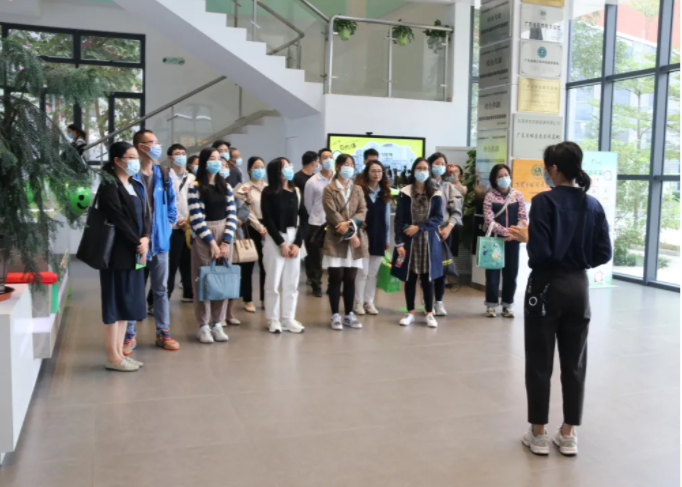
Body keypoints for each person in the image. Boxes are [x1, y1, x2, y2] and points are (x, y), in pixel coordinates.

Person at [508, 142, 612, 457]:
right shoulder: (593, 204)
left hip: (546, 287)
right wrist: (578, 259)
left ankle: (538, 432)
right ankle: (568, 433)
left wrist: (528, 238)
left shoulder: (544, 201)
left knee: (539, 360)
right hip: (579, 288)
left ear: (553, 169)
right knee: (575, 361)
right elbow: (603, 252)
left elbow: (541, 253)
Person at [123, 130, 179, 355]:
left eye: (157, 141)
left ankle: (163, 332)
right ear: (141, 147)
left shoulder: (163, 173)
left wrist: (168, 225)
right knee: (135, 289)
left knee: (161, 289)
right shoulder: (130, 175)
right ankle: (129, 334)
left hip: (160, 244)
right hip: (138, 245)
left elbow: (172, 204)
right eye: (151, 142)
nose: (156, 146)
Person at [97, 142, 149, 371]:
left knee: (126, 304)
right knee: (114, 305)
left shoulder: (135, 184)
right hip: (116, 254)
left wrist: (146, 238)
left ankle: (120, 354)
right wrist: (138, 242)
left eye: (136, 157)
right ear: (117, 161)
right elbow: (118, 219)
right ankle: (113, 357)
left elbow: (145, 215)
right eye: (131, 157)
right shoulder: (109, 186)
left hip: (135, 253)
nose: (135, 161)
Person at [187, 148, 236, 344]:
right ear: (204, 162)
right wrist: (211, 243)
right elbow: (196, 217)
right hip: (204, 236)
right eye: (212, 158)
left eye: (218, 158)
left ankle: (217, 322)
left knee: (222, 280)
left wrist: (226, 241)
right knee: (203, 280)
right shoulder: (195, 186)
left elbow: (232, 214)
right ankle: (203, 325)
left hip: (224, 234)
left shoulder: (226, 186)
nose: (216, 162)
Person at [392, 158, 444, 328]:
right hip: (409, 241)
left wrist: (420, 228)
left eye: (425, 168)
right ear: (414, 170)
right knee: (410, 277)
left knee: (427, 278)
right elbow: (399, 219)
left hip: (428, 241)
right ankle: (410, 312)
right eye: (419, 168)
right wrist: (399, 243)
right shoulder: (405, 192)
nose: (422, 171)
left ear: (429, 171)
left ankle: (429, 313)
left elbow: (438, 218)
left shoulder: (436, 193)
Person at [322, 154, 368, 330]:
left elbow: (362, 211)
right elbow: (332, 213)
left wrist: (350, 225)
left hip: (354, 239)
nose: (349, 167)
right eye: (346, 164)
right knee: (336, 277)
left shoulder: (357, 189)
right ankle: (335, 315)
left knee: (350, 277)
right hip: (336, 239)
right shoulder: (329, 189)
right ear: (338, 166)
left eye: (351, 164)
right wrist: (351, 232)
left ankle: (349, 314)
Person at [261, 157, 307, 334]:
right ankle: (273, 319)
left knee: (292, 281)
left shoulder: (296, 191)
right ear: (276, 171)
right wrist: (281, 243)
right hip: (275, 238)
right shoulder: (268, 192)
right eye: (284, 166)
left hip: (293, 236)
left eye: (289, 165)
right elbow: (268, 220)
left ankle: (288, 318)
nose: (288, 168)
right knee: (273, 281)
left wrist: (297, 243)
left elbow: (304, 218)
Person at [145, 144, 194, 306]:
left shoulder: (191, 177)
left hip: (188, 228)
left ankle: (189, 293)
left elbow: (194, 201)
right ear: (170, 158)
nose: (181, 156)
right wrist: (176, 219)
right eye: (177, 154)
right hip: (172, 228)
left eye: (183, 153)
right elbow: (165, 202)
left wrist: (188, 219)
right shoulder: (165, 176)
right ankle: (155, 302)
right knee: (170, 267)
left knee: (188, 265)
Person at [482, 164, 527, 318]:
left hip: (513, 241)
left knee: (511, 274)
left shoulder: (517, 195)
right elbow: (489, 220)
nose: (504, 178)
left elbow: (523, 217)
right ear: (495, 179)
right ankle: (491, 306)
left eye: (506, 175)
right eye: (500, 176)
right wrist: (506, 232)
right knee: (492, 274)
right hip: (495, 241)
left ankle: (507, 306)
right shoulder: (489, 196)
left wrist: (513, 234)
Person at [353, 160, 391, 316]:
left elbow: (387, 219)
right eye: (373, 171)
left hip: (379, 235)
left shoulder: (385, 192)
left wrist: (387, 239)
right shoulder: (360, 191)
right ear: (367, 173)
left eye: (379, 171)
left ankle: (369, 302)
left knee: (373, 272)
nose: (377, 174)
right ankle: (358, 302)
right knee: (362, 272)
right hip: (363, 234)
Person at [428, 152, 463, 316]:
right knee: (427, 269)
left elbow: (456, 210)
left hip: (444, 233)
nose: (440, 166)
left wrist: (449, 227)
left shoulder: (448, 187)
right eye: (437, 163)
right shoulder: (423, 185)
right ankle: (428, 301)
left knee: (442, 269)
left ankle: (439, 302)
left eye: (443, 164)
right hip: (427, 232)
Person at [220, 154, 250, 325]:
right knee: (216, 275)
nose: (223, 168)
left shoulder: (235, 188)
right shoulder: (206, 188)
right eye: (220, 165)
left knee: (232, 275)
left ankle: (229, 313)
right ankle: (217, 315)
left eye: (226, 166)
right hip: (214, 237)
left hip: (233, 236)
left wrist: (247, 203)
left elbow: (242, 214)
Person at [235, 156, 268, 313]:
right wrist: (259, 227)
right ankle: (247, 299)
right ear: (249, 170)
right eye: (256, 167)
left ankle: (265, 297)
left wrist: (267, 227)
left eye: (262, 166)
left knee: (266, 265)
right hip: (251, 227)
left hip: (268, 227)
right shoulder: (243, 188)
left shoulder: (268, 188)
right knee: (248, 264)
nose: (259, 169)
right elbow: (246, 211)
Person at [303, 148, 334, 297]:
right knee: (316, 258)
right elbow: (308, 204)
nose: (328, 160)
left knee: (334, 257)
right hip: (316, 223)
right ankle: (316, 285)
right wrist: (317, 216)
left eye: (330, 157)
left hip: (335, 224)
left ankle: (333, 286)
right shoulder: (312, 181)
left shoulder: (338, 179)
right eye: (325, 158)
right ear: (319, 161)